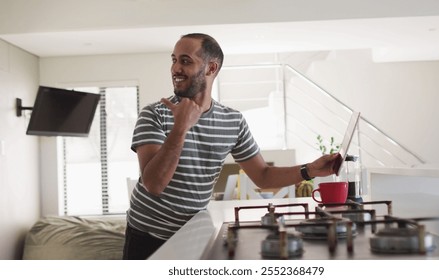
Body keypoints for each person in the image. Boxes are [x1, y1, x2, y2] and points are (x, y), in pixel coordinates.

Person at [123, 33, 343, 260]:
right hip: (146, 236)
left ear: (211, 68)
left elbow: (263, 176)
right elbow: (154, 184)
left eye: (185, 60)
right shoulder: (154, 114)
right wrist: (180, 128)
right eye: (174, 60)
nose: (175, 68)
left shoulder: (233, 121)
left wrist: (310, 170)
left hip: (192, 233)